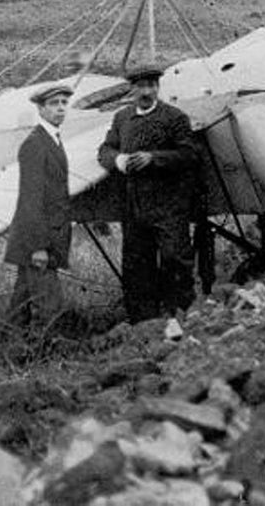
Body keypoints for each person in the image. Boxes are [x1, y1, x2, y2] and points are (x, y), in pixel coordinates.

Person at [97, 66, 197, 335]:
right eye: (141, 86)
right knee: (137, 265)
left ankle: (181, 317)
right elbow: (105, 150)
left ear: (158, 88)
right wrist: (118, 160)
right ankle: (143, 326)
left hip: (168, 205)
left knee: (174, 258)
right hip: (134, 206)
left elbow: (189, 155)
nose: (147, 91)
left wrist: (154, 158)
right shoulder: (122, 118)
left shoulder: (174, 117)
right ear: (132, 89)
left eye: (152, 85)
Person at [4, 84, 74, 329]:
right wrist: (38, 247)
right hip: (38, 240)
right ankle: (47, 356)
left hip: (43, 237)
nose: (61, 108)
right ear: (41, 109)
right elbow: (31, 199)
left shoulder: (52, 139)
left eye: (64, 103)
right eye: (54, 104)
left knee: (21, 302)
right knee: (50, 305)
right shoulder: (35, 144)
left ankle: (15, 352)